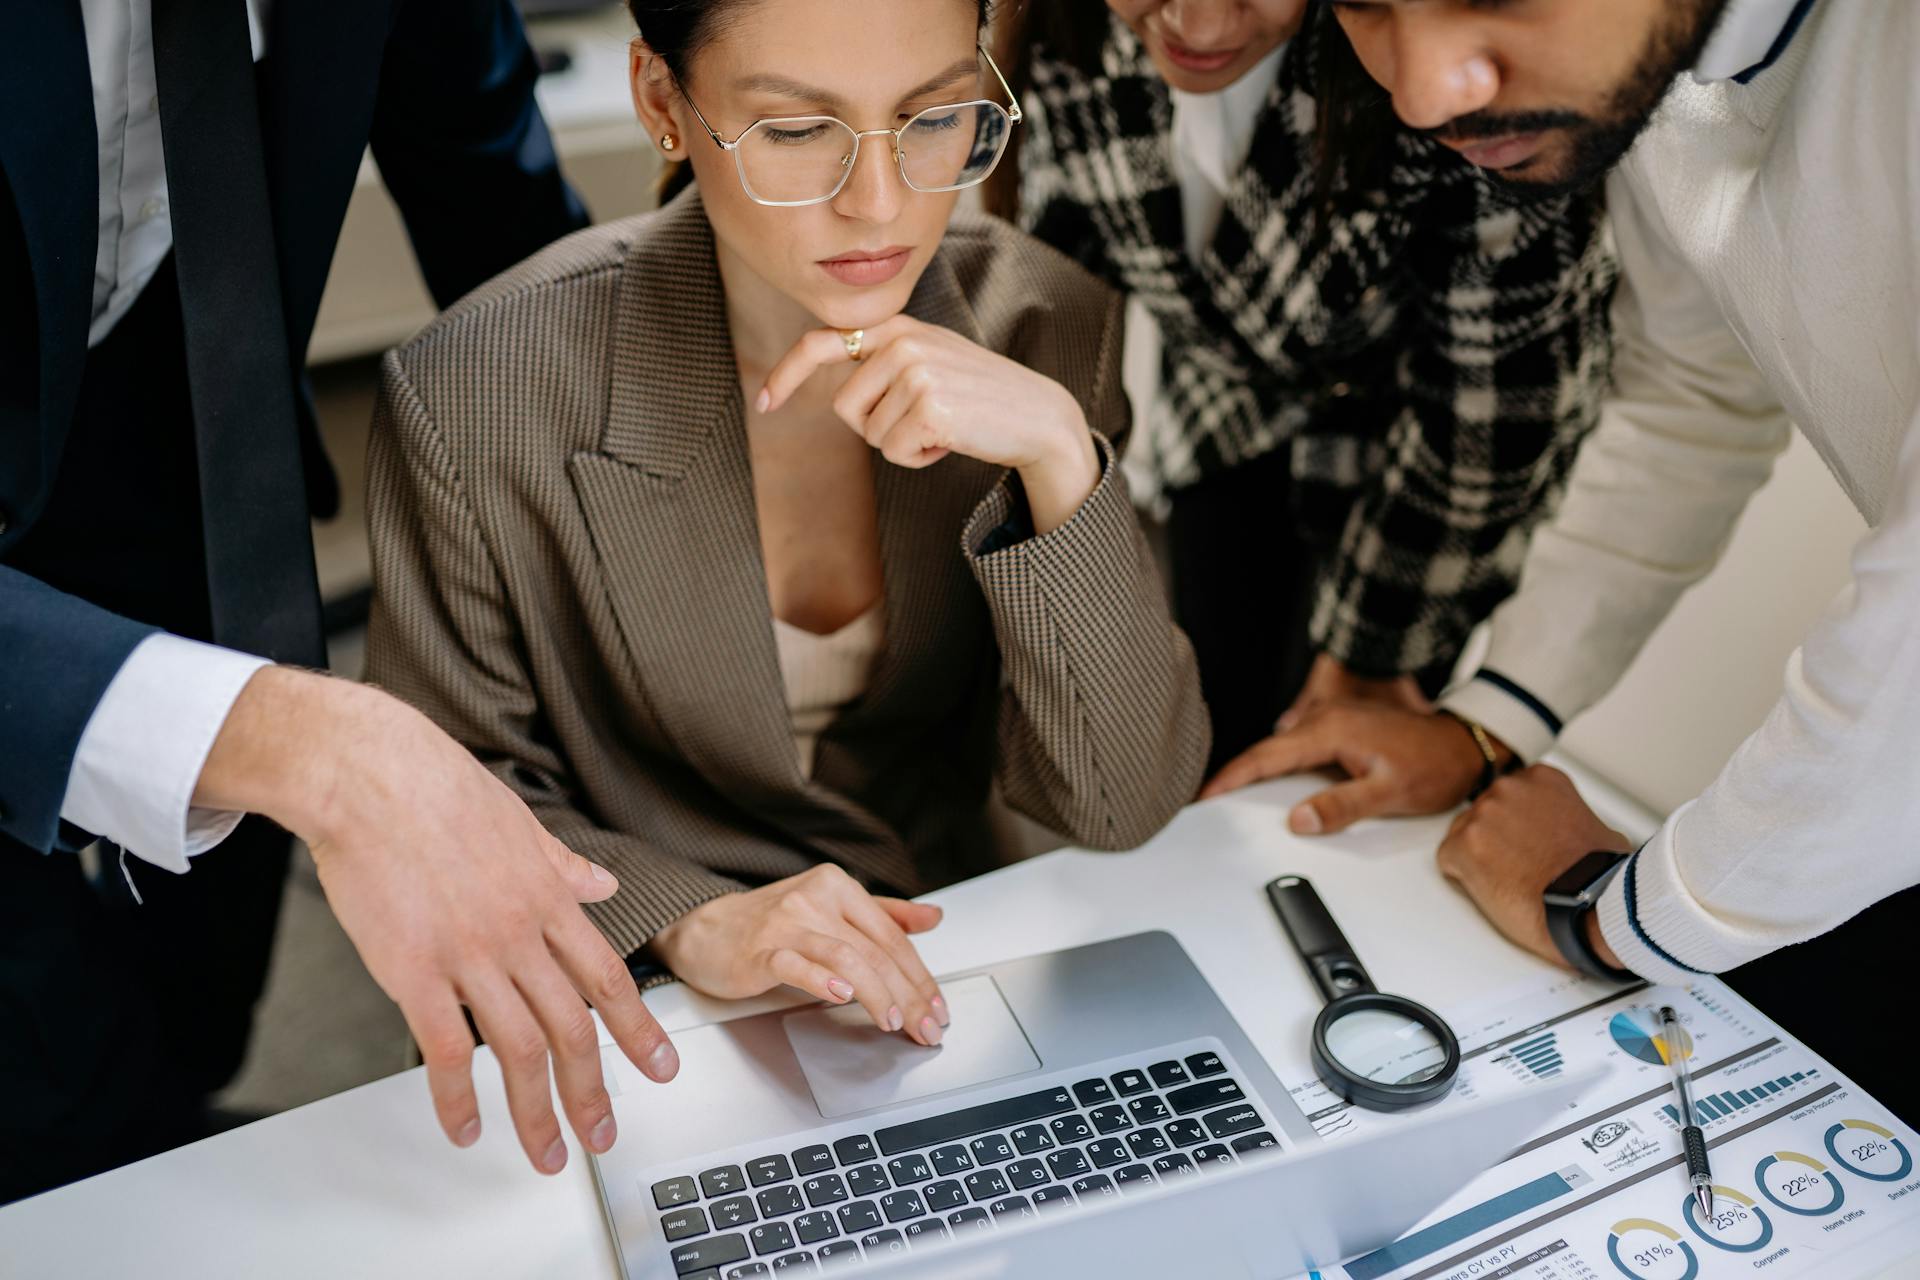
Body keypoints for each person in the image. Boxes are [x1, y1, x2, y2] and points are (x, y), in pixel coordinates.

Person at [362, 0, 1209, 1048]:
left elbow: (1122, 801)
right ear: (661, 100)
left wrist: (1056, 452)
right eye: (800, 132)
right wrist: (686, 918)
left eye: (936, 115)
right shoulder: (474, 390)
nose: (881, 202)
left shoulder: (1047, 322)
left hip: (947, 968)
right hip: (629, 996)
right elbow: (443, 799)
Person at [0, 0, 682, 1201]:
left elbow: (492, 195)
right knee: (46, 1077)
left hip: (203, 498)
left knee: (193, 993)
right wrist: (303, 741)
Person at [1210, 0, 1919, 1113]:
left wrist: (1612, 908)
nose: (1420, 95)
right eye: (1367, 4)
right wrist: (1492, 716)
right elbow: (1696, 393)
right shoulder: (1643, 76)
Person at [990, 0, 1618, 773]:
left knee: (1349, 753)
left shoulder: (1436, 83)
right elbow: (1065, 284)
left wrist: (1373, 654)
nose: (1199, 24)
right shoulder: (1063, 36)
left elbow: (1497, 404)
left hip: (1429, 466)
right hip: (1220, 423)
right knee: (1218, 722)